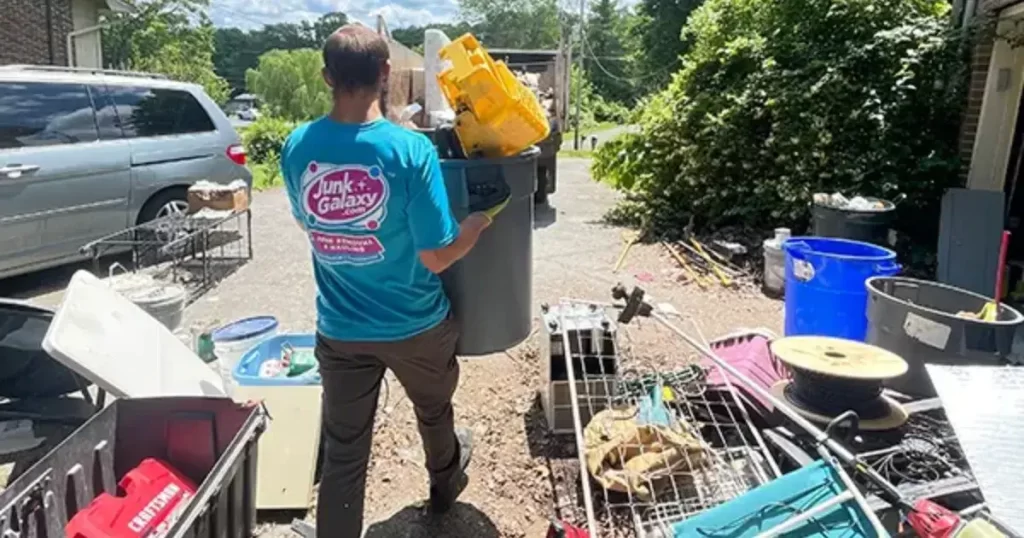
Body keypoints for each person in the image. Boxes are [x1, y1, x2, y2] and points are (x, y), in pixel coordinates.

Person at [279, 24, 500, 537]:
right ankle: (444, 492)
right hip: (416, 326)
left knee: (344, 448)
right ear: (385, 74)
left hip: (341, 330)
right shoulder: (409, 151)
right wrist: (476, 225)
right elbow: (438, 257)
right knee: (434, 411)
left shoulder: (297, 147)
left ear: (325, 76)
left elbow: (307, 223)